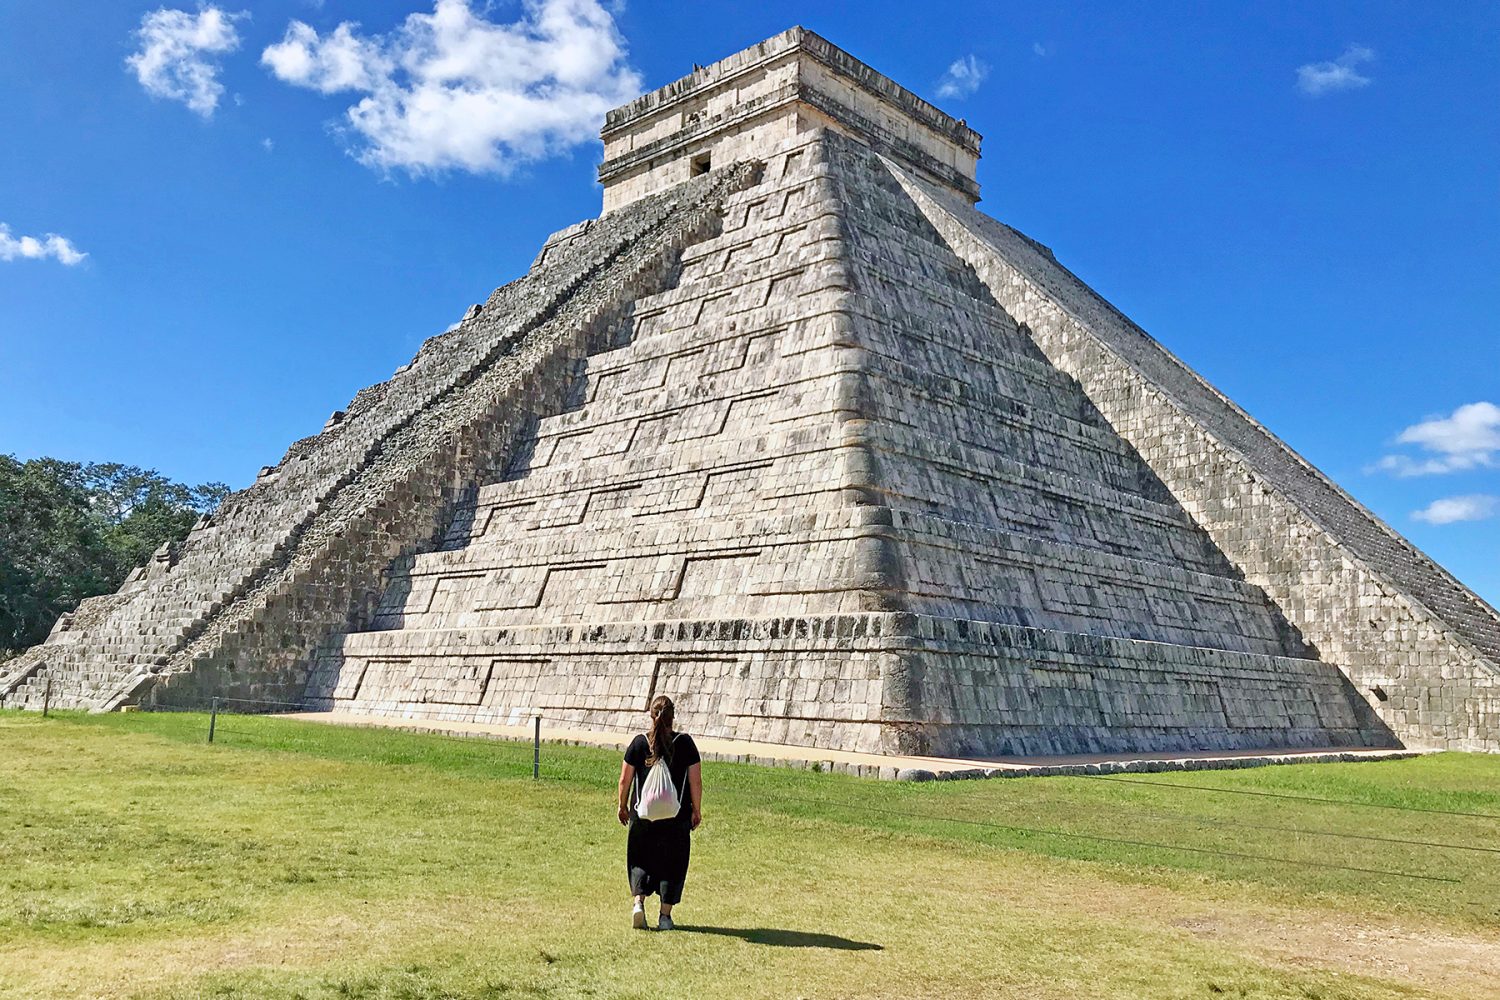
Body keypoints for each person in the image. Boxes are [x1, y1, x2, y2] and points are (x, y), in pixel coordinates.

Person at [617, 695, 702, 930]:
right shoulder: (685, 744)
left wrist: (622, 806)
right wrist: (696, 809)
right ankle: (665, 917)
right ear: (673, 717)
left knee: (640, 858)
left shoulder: (639, 743)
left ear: (651, 716)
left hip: (643, 815)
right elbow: (695, 781)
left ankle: (638, 904)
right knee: (673, 863)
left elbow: (625, 780)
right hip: (676, 818)